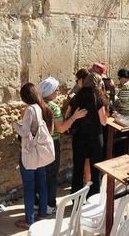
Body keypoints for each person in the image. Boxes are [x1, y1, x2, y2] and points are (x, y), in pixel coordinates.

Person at [37, 77, 86, 215]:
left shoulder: (35, 105)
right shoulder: (53, 107)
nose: (58, 91)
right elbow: (61, 128)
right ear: (50, 92)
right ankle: (50, 205)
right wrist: (74, 117)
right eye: (56, 89)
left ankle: (38, 202)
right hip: (51, 144)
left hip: (37, 144)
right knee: (51, 175)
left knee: (40, 174)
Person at [12, 83, 55, 228]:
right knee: (42, 184)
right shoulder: (45, 107)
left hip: (30, 153)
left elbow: (24, 132)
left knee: (29, 187)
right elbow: (51, 131)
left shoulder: (30, 109)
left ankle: (29, 221)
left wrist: (15, 124)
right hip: (41, 154)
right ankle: (42, 215)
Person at [67, 73, 108, 197]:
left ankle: (76, 199)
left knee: (78, 169)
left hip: (79, 137)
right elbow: (103, 122)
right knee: (95, 169)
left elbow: (67, 116)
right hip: (95, 137)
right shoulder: (98, 99)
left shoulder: (77, 97)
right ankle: (93, 197)